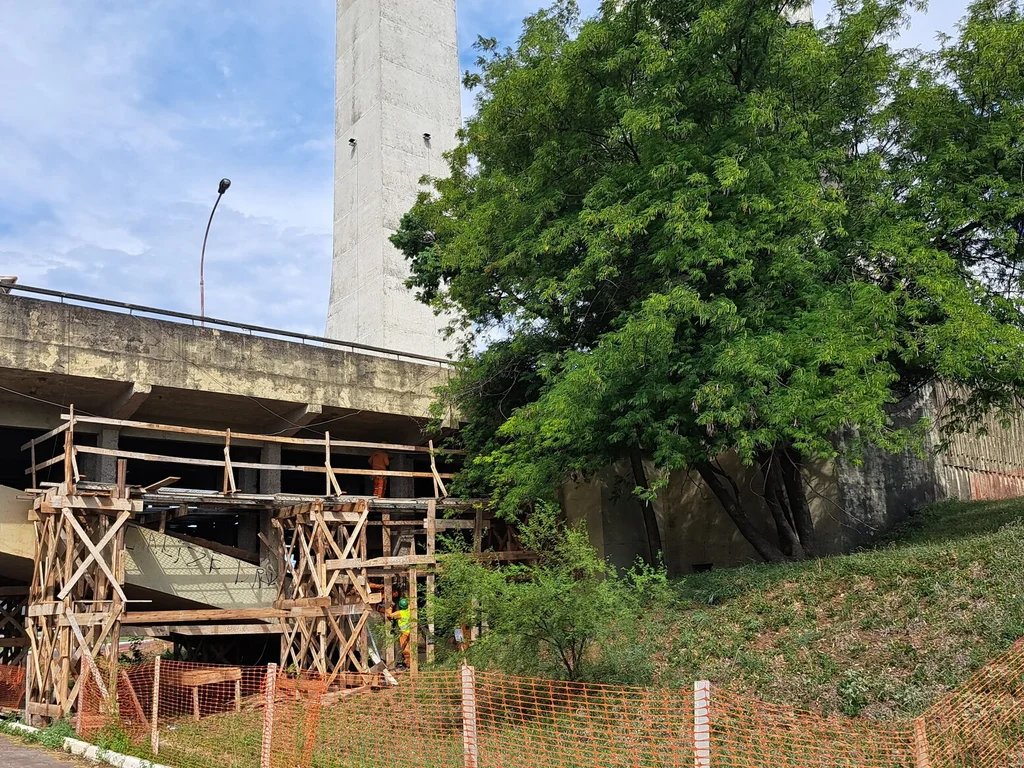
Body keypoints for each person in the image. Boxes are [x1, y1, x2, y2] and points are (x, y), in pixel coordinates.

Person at [388, 597, 412, 668]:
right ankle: (408, 663)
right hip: (411, 632)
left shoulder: (400, 613)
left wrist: (391, 606)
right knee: (411, 648)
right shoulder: (410, 609)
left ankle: (409, 665)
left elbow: (389, 615)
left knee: (405, 650)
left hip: (404, 633)